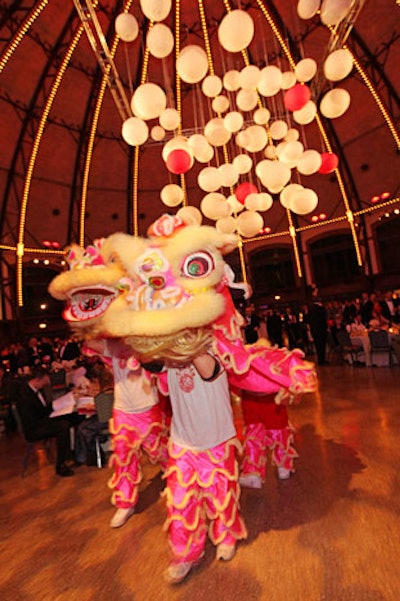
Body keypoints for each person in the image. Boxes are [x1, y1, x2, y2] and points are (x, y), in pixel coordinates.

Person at [158, 351, 247, 585]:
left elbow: (209, 371)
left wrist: (184, 339)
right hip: (182, 441)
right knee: (180, 503)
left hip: (216, 438)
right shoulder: (168, 342)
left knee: (221, 496)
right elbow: (151, 364)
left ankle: (226, 537)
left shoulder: (216, 343)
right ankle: (185, 554)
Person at [83, 338, 169, 529]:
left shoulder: (148, 343)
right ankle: (125, 503)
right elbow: (92, 341)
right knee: (123, 457)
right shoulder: (114, 346)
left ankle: (174, 478)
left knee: (158, 450)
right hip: (123, 410)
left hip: (147, 408)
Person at [14, 365, 77, 477]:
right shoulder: (24, 395)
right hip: (34, 429)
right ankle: (60, 465)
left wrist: (58, 406)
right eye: (45, 380)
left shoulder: (38, 390)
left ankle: (71, 455)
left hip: (41, 421)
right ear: (38, 379)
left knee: (70, 418)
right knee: (62, 426)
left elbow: (43, 410)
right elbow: (32, 421)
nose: (47, 383)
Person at [238, 389, 298, 488]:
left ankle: (254, 473)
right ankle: (283, 466)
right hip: (272, 389)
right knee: (277, 424)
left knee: (254, 429)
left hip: (249, 390)